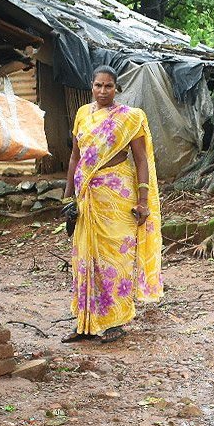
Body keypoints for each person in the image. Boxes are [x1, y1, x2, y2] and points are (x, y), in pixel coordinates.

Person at [62, 66, 163, 343]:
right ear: (91, 87)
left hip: (117, 196)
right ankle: (85, 323)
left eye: (108, 86)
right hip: (86, 196)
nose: (103, 91)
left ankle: (116, 323)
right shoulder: (83, 114)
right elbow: (74, 157)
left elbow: (141, 160)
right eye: (98, 85)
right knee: (85, 259)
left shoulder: (130, 118)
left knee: (115, 259)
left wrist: (143, 202)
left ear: (116, 88)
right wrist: (68, 196)